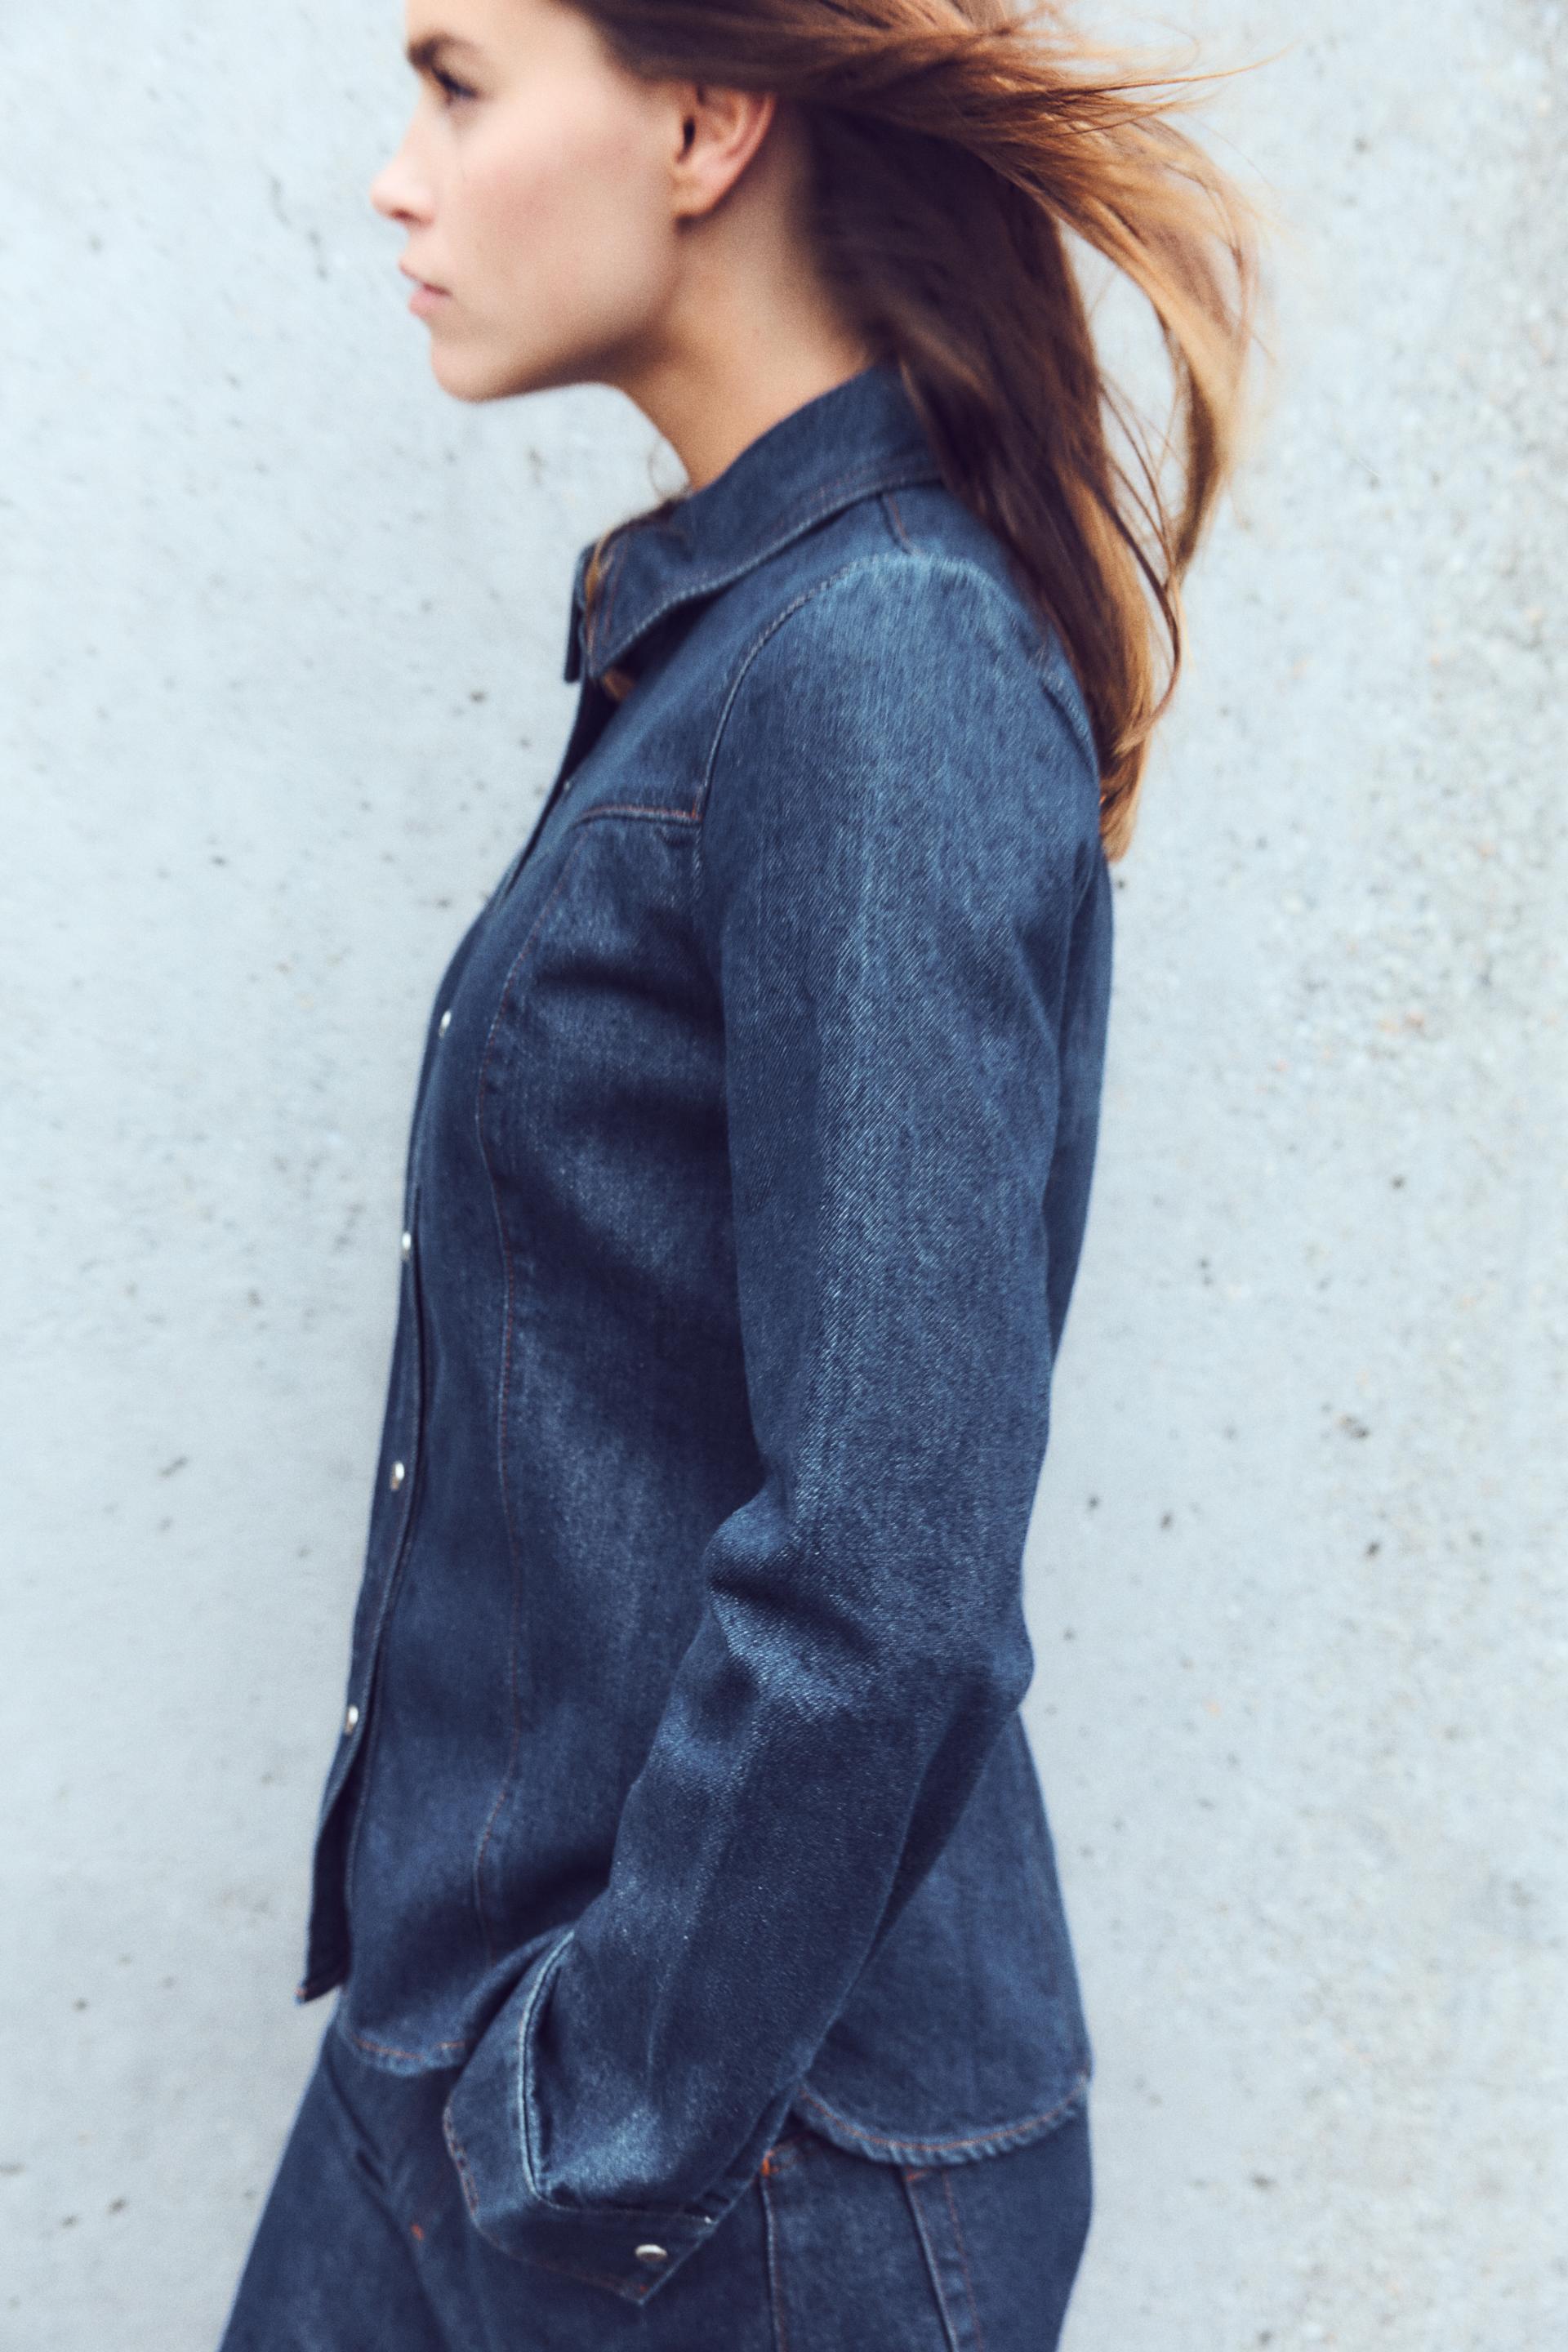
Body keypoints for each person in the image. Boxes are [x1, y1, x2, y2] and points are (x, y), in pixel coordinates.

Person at [218, 0, 1258, 2343]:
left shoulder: (876, 665)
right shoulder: (736, 640)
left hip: (730, 2177)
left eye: (458, 82)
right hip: (483, 2057)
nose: (397, 173)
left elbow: (891, 1563)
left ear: (703, 121)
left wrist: (596, 2126)